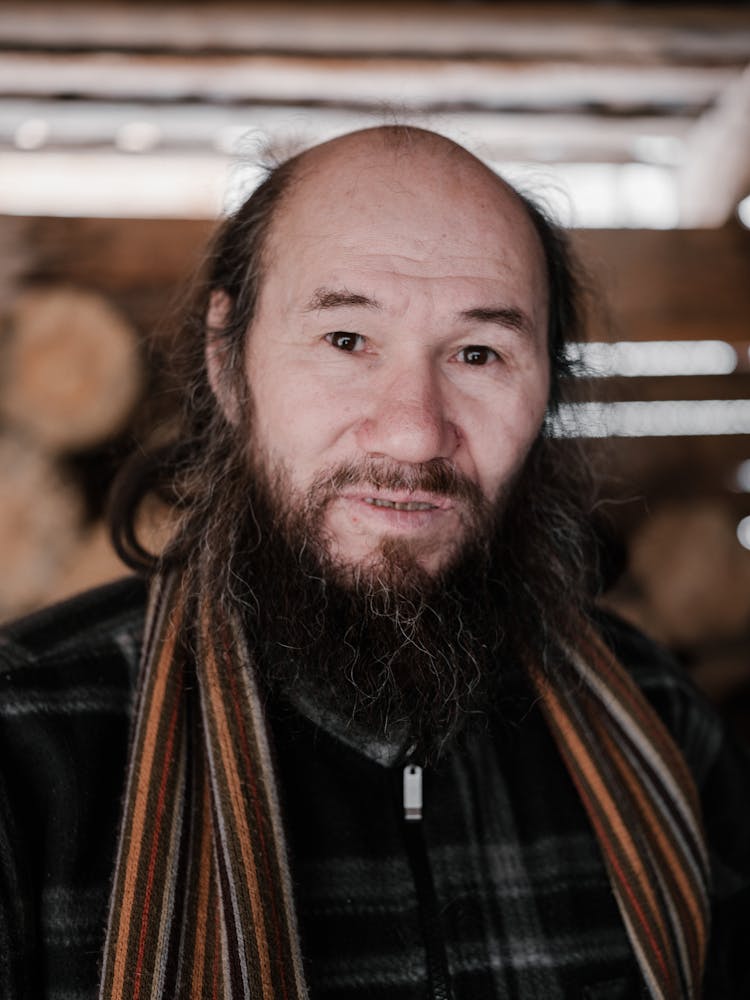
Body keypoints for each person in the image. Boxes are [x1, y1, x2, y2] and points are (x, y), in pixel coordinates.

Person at [0, 125, 748, 1000]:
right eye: (346, 339)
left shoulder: (658, 726)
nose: (414, 431)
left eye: (479, 354)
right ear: (227, 361)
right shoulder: (26, 749)